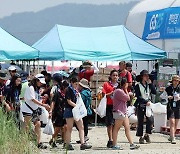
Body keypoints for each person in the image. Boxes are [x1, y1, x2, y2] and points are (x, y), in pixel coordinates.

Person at [21, 74, 49, 149]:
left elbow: (35, 97)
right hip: (28, 109)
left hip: (34, 109)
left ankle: (38, 142)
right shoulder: (30, 87)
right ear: (36, 80)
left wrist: (41, 97)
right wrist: (43, 105)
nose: (41, 84)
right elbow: (33, 99)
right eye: (40, 82)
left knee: (38, 124)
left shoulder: (36, 88)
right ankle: (24, 143)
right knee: (26, 126)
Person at [64, 77, 92, 150]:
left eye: (77, 84)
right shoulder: (68, 90)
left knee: (81, 126)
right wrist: (77, 106)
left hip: (76, 110)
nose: (76, 86)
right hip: (70, 110)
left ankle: (83, 143)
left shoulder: (76, 90)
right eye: (75, 84)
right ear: (72, 83)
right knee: (69, 128)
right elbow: (68, 101)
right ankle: (67, 143)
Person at [112, 78, 140, 150]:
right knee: (116, 128)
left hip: (124, 112)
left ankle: (131, 144)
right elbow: (127, 98)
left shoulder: (120, 91)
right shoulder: (119, 91)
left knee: (127, 128)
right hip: (119, 112)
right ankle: (114, 144)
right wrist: (126, 89)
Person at [134, 70, 156, 144]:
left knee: (150, 120)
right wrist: (145, 101)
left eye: (148, 76)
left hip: (148, 105)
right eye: (145, 75)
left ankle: (146, 134)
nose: (147, 77)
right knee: (140, 121)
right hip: (141, 104)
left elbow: (154, 92)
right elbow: (138, 96)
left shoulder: (149, 85)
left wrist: (151, 84)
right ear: (142, 77)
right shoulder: (137, 85)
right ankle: (140, 137)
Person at [49, 80, 69, 147]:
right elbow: (53, 102)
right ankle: (52, 140)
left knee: (65, 127)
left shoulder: (67, 94)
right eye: (66, 87)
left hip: (65, 112)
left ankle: (65, 142)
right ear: (63, 87)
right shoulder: (57, 94)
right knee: (57, 128)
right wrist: (51, 111)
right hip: (58, 113)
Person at [102, 70, 119, 148]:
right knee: (109, 124)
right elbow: (103, 95)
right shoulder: (106, 84)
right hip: (109, 105)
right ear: (111, 76)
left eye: (116, 75)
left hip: (117, 106)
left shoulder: (119, 85)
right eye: (114, 75)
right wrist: (112, 93)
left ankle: (114, 139)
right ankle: (110, 139)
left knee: (116, 124)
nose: (115, 77)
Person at [165, 75, 180, 144]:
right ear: (172, 81)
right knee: (172, 122)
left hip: (178, 106)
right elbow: (163, 96)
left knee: (176, 123)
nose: (176, 82)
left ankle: (171, 136)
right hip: (170, 106)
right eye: (175, 80)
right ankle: (173, 138)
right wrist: (168, 97)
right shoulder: (168, 88)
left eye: (177, 80)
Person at [77, 78, 92, 143]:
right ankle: (84, 136)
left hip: (82, 110)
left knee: (80, 124)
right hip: (87, 110)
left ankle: (84, 137)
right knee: (85, 124)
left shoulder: (83, 93)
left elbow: (81, 102)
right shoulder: (88, 92)